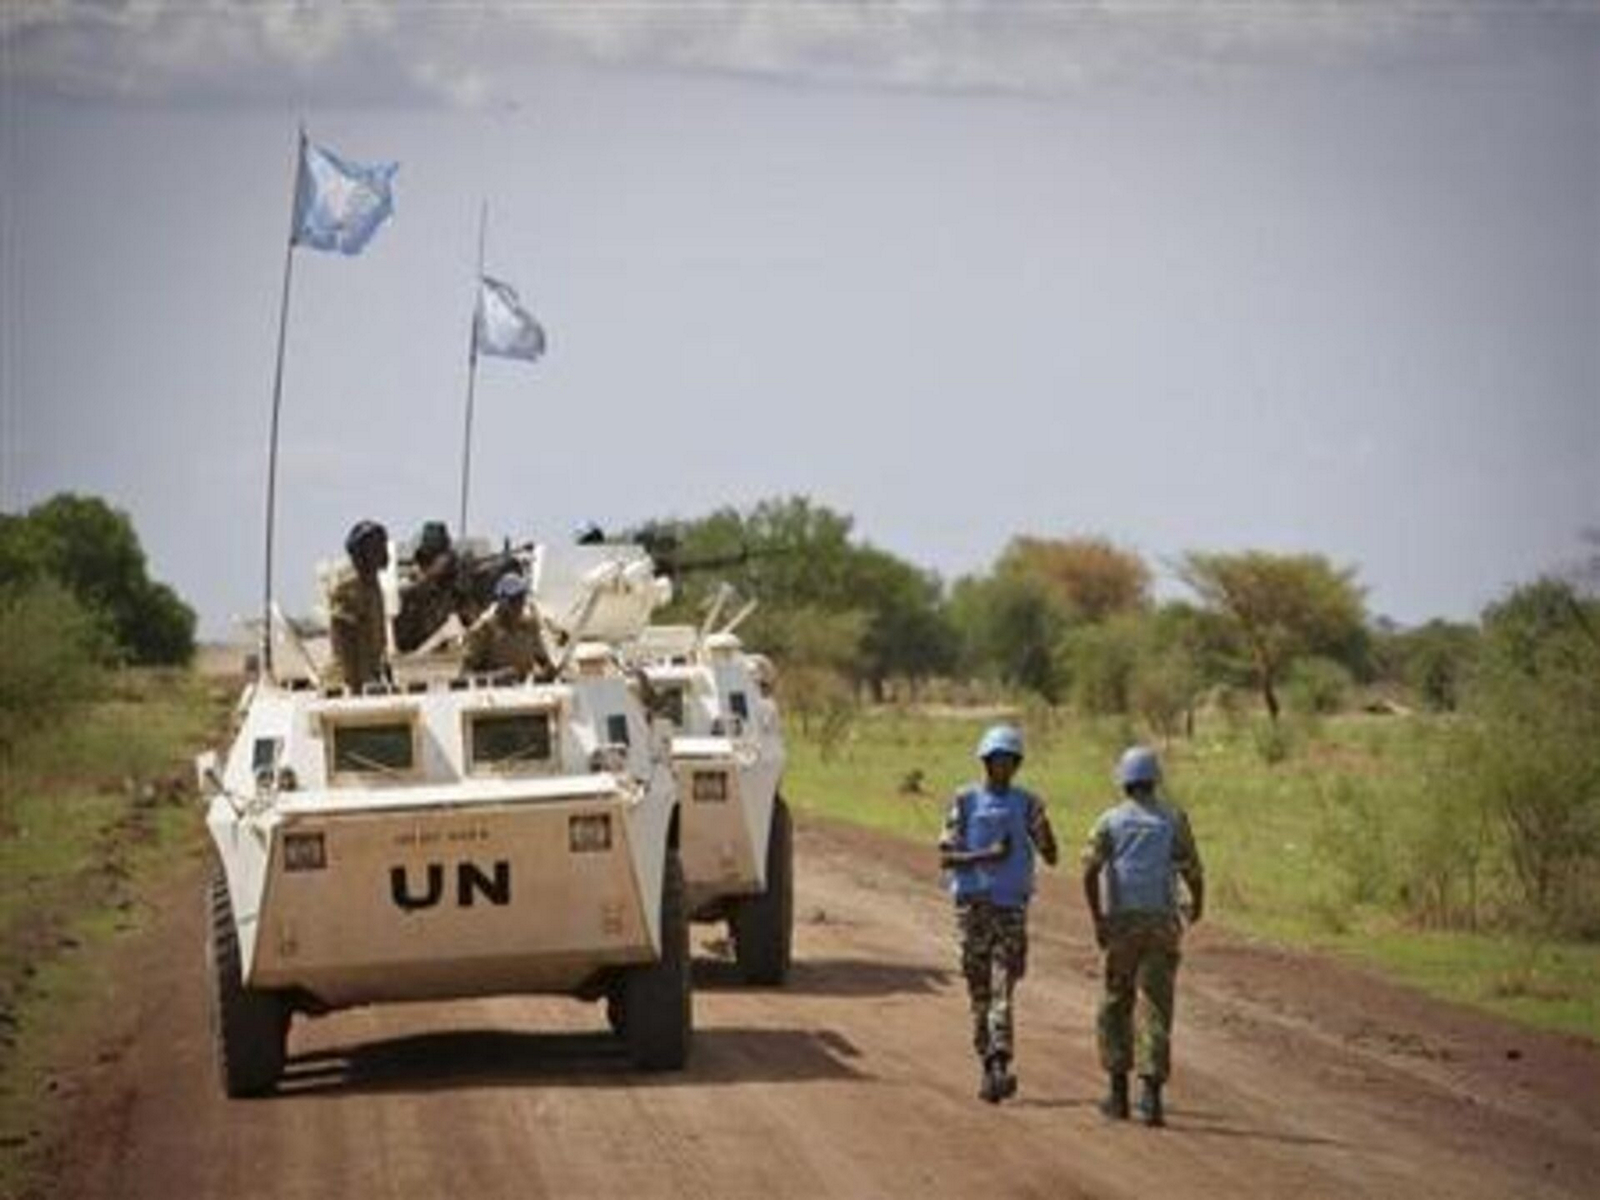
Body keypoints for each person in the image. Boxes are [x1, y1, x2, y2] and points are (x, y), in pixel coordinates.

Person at [1081, 745, 1205, 1127]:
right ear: (1154, 781)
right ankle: (1151, 1098)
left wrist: (1097, 918)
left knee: (1115, 1003)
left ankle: (1117, 1096)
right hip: (1162, 925)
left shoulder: (1109, 822)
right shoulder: (1174, 819)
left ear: (1124, 782)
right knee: (1155, 1006)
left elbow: (1089, 871)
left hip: (1120, 925)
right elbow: (1193, 871)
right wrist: (1197, 905)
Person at [939, 724, 1059, 1103]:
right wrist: (986, 855)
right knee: (979, 990)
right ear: (986, 763)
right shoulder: (965, 801)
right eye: (997, 761)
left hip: (1011, 908)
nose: (1004, 768)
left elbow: (1052, 856)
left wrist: (1042, 828)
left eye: (1010, 762)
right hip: (973, 907)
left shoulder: (1028, 803)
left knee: (1002, 985)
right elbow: (946, 856)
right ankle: (988, 1065)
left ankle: (999, 1061)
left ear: (1018, 764)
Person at [394, 521, 478, 652]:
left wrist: (463, 583)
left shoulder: (453, 588)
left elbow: (472, 623)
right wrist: (427, 580)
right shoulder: (411, 589)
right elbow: (403, 639)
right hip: (416, 659)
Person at [330, 519, 390, 690]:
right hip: (354, 678)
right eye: (375, 547)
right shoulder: (349, 588)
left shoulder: (372, 583)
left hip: (372, 672)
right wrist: (357, 681)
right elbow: (343, 643)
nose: (381, 551)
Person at [463, 572, 556, 682]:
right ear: (502, 601)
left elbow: (544, 662)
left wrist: (548, 671)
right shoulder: (483, 630)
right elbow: (463, 677)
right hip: (490, 695)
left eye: (522, 599)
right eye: (514, 600)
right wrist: (495, 677)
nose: (519, 605)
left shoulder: (529, 626)